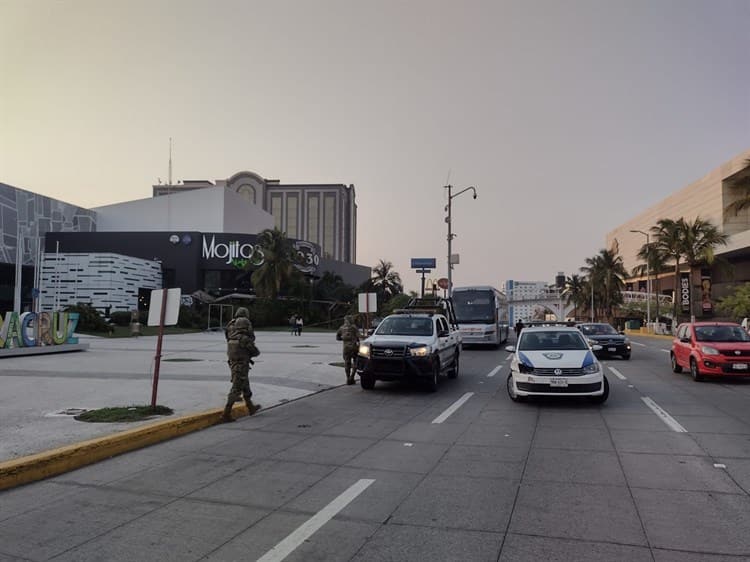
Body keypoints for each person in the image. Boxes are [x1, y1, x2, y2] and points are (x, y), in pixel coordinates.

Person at [222, 307, 261, 422]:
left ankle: (250, 406)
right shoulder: (243, 338)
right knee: (237, 387)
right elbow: (255, 351)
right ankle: (226, 413)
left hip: (232, 359)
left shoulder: (231, 331)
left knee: (244, 382)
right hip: (241, 361)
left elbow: (227, 337)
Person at [336, 315, 360, 385]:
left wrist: (343, 338)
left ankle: (348, 378)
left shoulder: (341, 328)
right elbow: (359, 336)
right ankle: (352, 377)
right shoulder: (354, 327)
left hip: (346, 348)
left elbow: (337, 337)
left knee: (347, 363)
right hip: (354, 347)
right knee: (356, 362)